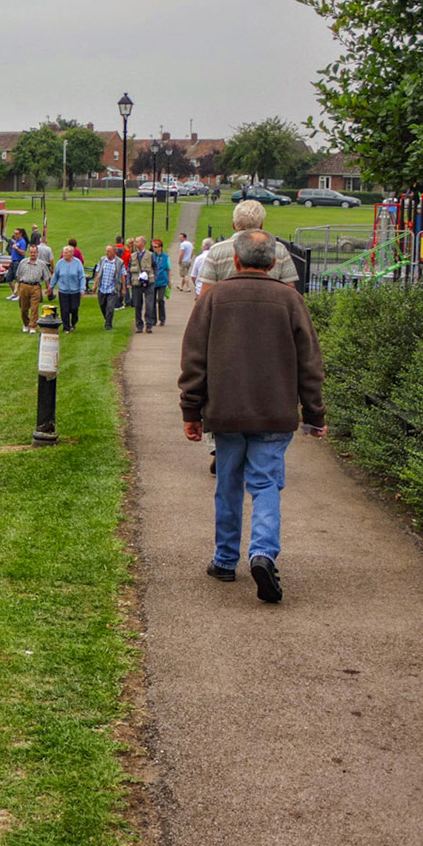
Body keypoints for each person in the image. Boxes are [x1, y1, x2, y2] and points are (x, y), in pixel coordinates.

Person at [179, 230, 327, 605]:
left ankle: (225, 560)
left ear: (238, 261)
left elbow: (194, 360)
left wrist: (191, 410)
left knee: (227, 483)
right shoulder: (290, 300)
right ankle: (262, 553)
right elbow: (310, 365)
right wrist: (313, 412)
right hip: (274, 412)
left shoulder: (214, 299)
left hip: (225, 410)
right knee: (265, 485)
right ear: (275, 262)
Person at [196, 200, 300, 289]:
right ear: (261, 225)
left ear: (233, 225)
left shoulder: (216, 251)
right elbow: (290, 289)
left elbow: (206, 292)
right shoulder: (279, 249)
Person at [12, 246, 49, 333]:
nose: (32, 254)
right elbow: (18, 276)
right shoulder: (23, 262)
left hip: (36, 287)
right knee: (24, 308)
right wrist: (16, 288)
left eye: (34, 252)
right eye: (31, 252)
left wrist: (48, 288)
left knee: (34, 308)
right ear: (29, 253)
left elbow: (46, 277)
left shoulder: (41, 264)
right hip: (24, 286)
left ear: (37, 253)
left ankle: (33, 326)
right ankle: (26, 324)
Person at [51, 248, 86, 332]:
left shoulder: (77, 263)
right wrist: (51, 287)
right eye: (63, 252)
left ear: (71, 254)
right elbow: (55, 276)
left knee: (74, 308)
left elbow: (81, 277)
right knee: (64, 310)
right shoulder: (60, 263)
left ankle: (73, 323)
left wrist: (82, 289)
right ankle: (66, 327)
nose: (64, 254)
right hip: (63, 291)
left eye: (66, 253)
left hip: (75, 291)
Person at [94, 245, 126, 330]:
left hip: (112, 289)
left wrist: (123, 288)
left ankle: (108, 324)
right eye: (106, 251)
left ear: (114, 252)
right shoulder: (102, 260)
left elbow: (123, 275)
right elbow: (98, 272)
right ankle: (107, 319)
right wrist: (95, 284)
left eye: (108, 251)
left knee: (110, 307)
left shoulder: (119, 262)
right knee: (102, 305)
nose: (106, 252)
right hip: (102, 288)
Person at [151, 239, 171, 328]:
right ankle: (153, 319)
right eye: (153, 247)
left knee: (160, 299)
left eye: (156, 247)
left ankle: (162, 319)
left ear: (160, 247)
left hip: (162, 281)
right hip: (153, 281)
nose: (154, 248)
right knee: (152, 301)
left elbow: (168, 269)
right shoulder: (152, 256)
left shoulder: (165, 257)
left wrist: (169, 281)